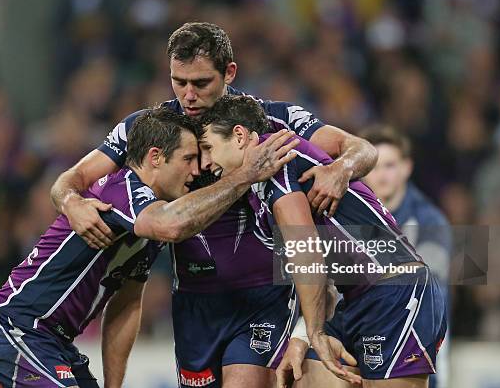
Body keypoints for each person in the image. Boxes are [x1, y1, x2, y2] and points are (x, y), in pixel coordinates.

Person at [50, 22, 378, 387]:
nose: (188, 95)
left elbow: (361, 148)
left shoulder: (268, 119)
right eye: (179, 81)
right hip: (194, 299)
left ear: (229, 73)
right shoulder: (148, 130)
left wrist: (340, 170)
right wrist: (70, 203)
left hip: (263, 296)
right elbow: (71, 179)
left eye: (201, 83)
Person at [0, 107, 298, 388]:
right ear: (155, 157)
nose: (197, 170)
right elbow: (171, 224)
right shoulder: (123, 188)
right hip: (15, 329)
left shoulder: (147, 222)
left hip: (53, 342)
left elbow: (125, 305)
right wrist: (245, 175)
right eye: (188, 159)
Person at [198, 95, 447, 388]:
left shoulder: (278, 155)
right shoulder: (259, 189)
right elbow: (322, 276)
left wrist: (314, 332)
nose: (204, 163)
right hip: (355, 298)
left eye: (208, 148)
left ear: (239, 136)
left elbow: (307, 253)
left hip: (395, 291)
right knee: (303, 375)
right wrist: (304, 337)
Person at [360, 125, 452, 388]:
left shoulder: (431, 222)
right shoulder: (345, 213)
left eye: (389, 165)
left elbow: (426, 286)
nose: (381, 175)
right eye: (374, 166)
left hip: (418, 340)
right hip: (363, 334)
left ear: (406, 168)